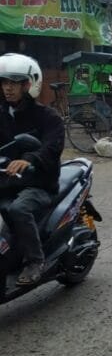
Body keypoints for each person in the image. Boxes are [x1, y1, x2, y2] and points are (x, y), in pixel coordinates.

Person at [0, 53, 65, 285]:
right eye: (4, 82)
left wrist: (29, 160)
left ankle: (35, 260)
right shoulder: (2, 114)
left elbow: (52, 147)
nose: (8, 88)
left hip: (39, 183)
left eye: (14, 83)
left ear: (28, 85)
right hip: (7, 182)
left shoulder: (48, 116)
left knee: (18, 209)